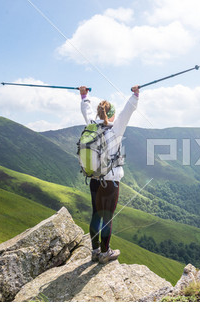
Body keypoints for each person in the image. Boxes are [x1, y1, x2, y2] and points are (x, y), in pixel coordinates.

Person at [79, 85, 140, 264]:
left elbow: (86, 110)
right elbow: (127, 112)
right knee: (107, 218)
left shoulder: (91, 126)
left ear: (98, 114)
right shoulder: (115, 130)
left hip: (94, 181)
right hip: (110, 183)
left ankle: (95, 250)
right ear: (111, 114)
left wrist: (84, 95)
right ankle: (106, 253)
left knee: (96, 214)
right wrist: (135, 95)